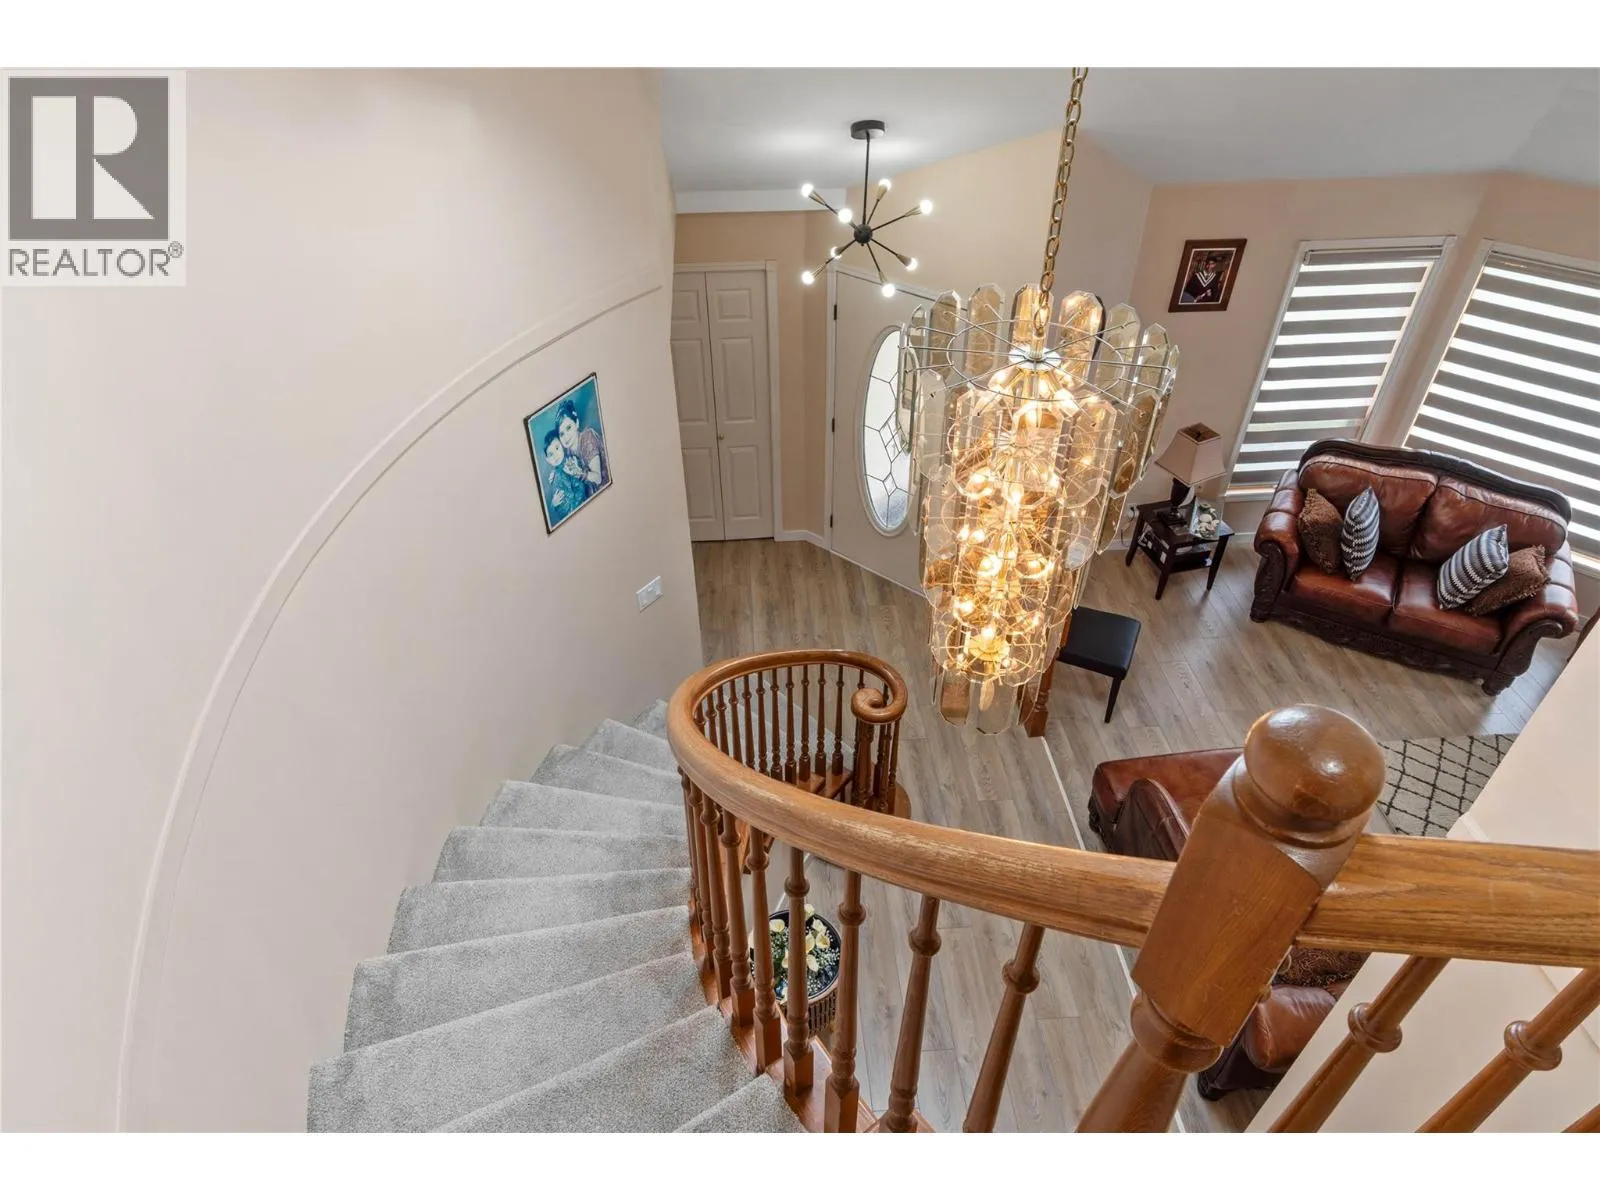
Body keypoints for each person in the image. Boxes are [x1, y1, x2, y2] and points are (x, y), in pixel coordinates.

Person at [541, 428, 591, 524]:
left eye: (557, 448)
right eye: (551, 454)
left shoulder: (571, 461)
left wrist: (577, 470)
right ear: (547, 459)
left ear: (562, 445)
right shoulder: (555, 476)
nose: (555, 456)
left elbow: (581, 489)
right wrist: (553, 505)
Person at [556, 398, 608, 491]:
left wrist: (578, 473)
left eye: (568, 428)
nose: (566, 437)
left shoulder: (588, 437)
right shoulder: (569, 451)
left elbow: (598, 479)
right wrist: (556, 473)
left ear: (576, 423)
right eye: (562, 434)